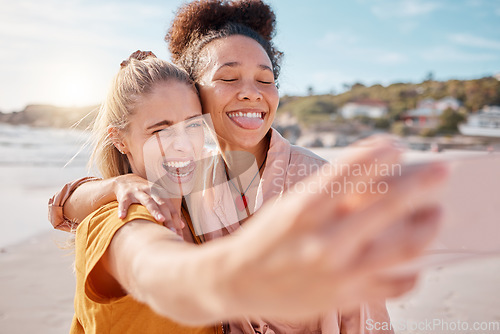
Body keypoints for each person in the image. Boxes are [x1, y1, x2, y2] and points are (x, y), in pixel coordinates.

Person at [48, 1, 448, 333]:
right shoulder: (172, 193)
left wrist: (87, 194)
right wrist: (106, 190)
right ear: (197, 93)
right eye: (228, 77)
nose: (250, 92)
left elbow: (369, 314)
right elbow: (153, 265)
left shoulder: (318, 184)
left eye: (266, 79)